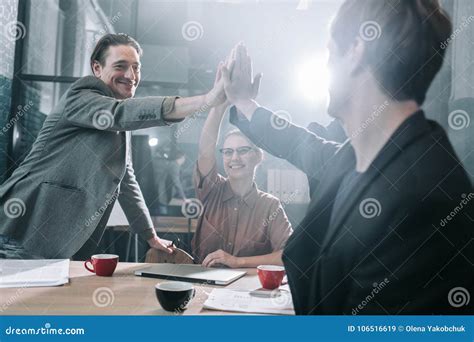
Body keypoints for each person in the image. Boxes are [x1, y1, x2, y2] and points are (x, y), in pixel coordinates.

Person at [224, 1, 473, 314]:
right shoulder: (365, 156)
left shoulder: (423, 199)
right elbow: (305, 146)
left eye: (330, 53)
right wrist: (246, 104)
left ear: (355, 50)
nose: (327, 67)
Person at [0, 33, 227, 260]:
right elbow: (119, 114)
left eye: (136, 67)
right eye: (121, 66)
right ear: (97, 68)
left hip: (57, 239)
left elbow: (126, 182)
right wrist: (206, 101)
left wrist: (150, 236)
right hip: (23, 225)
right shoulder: (82, 96)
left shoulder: (119, 124)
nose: (131, 75)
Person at [192, 61, 293, 268]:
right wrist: (219, 105)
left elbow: (287, 255)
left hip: (247, 293)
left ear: (258, 156)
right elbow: (205, 151)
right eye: (228, 152)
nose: (234, 158)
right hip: (202, 286)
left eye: (243, 150)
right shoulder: (212, 190)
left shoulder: (270, 206)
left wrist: (238, 262)